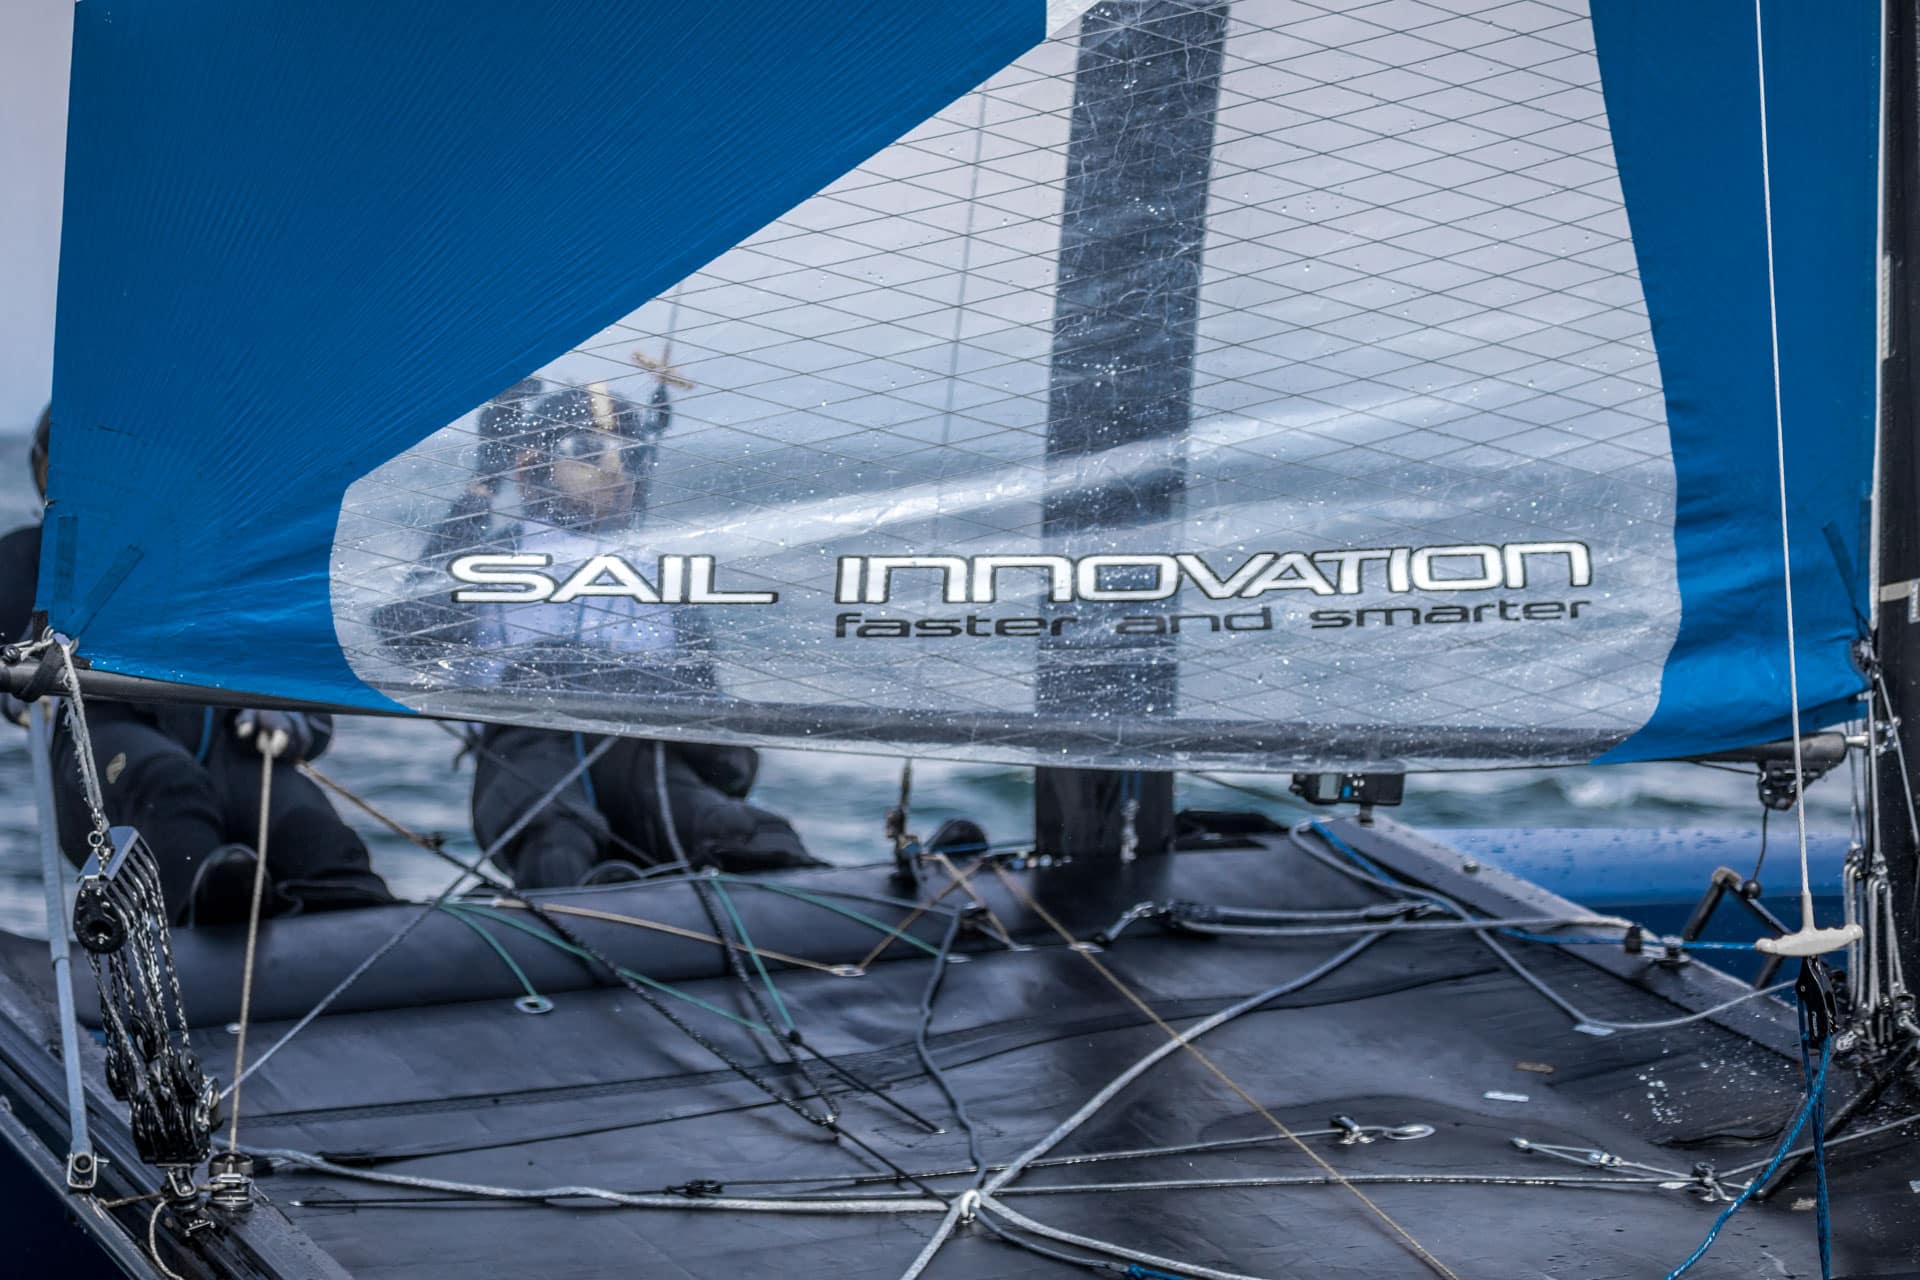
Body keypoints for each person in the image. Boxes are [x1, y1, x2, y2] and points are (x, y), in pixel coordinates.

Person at [376, 378, 822, 888]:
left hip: (641, 755)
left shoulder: (661, 579)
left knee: (750, 832)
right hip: (529, 756)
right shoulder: (490, 562)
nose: (614, 471)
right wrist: (485, 482)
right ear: (532, 467)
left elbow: (705, 701)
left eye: (629, 457)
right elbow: (404, 630)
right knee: (557, 839)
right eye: (587, 452)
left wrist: (636, 685)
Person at [2, 406, 394, 924]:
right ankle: (201, 911)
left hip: (232, 738)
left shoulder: (209, 558)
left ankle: (361, 914)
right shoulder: (26, 557)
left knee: (301, 817)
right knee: (171, 786)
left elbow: (297, 685)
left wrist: (293, 719)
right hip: (104, 743)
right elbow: (12, 672)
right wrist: (28, 676)